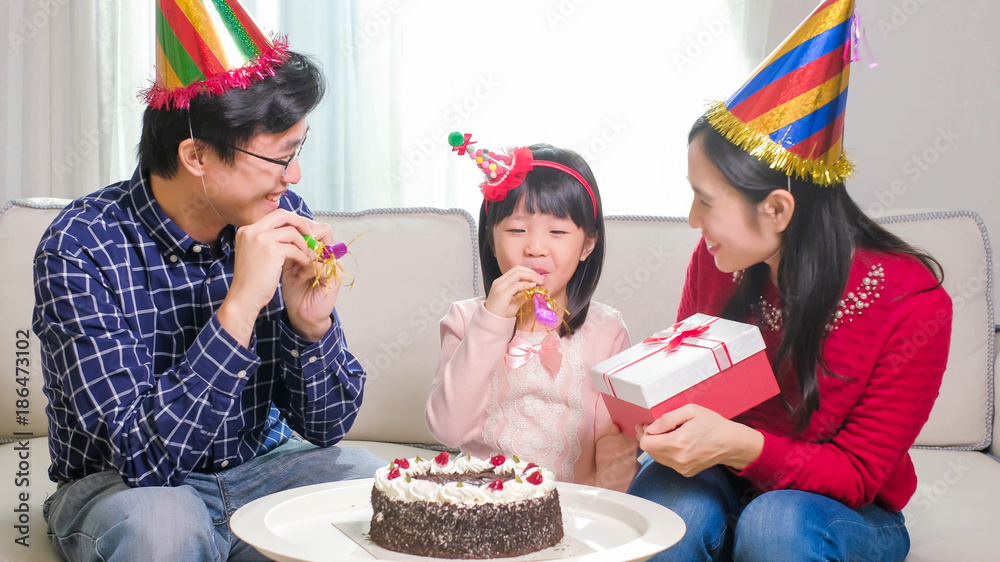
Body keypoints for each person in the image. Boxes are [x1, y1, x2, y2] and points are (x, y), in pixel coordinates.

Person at [31, 3, 383, 560]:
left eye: (298, 150)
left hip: (261, 471)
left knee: (374, 484)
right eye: (279, 157)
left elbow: (327, 427)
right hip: (126, 487)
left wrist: (311, 329)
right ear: (196, 155)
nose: (293, 178)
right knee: (163, 525)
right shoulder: (80, 244)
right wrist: (240, 307)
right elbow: (142, 458)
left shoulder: (277, 212)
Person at [627, 1, 953, 560]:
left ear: (777, 210)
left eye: (705, 201)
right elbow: (690, 385)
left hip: (840, 510)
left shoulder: (913, 304)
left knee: (775, 523)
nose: (692, 220)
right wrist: (653, 416)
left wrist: (745, 445)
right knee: (670, 504)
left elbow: (857, 475)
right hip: (725, 477)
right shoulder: (718, 260)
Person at [426, 132, 639, 492]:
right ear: (491, 239)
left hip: (572, 508)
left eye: (557, 231)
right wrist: (492, 321)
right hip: (481, 502)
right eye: (516, 229)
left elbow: (614, 445)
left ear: (587, 244)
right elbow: (448, 429)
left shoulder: (606, 331)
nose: (536, 247)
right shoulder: (465, 319)